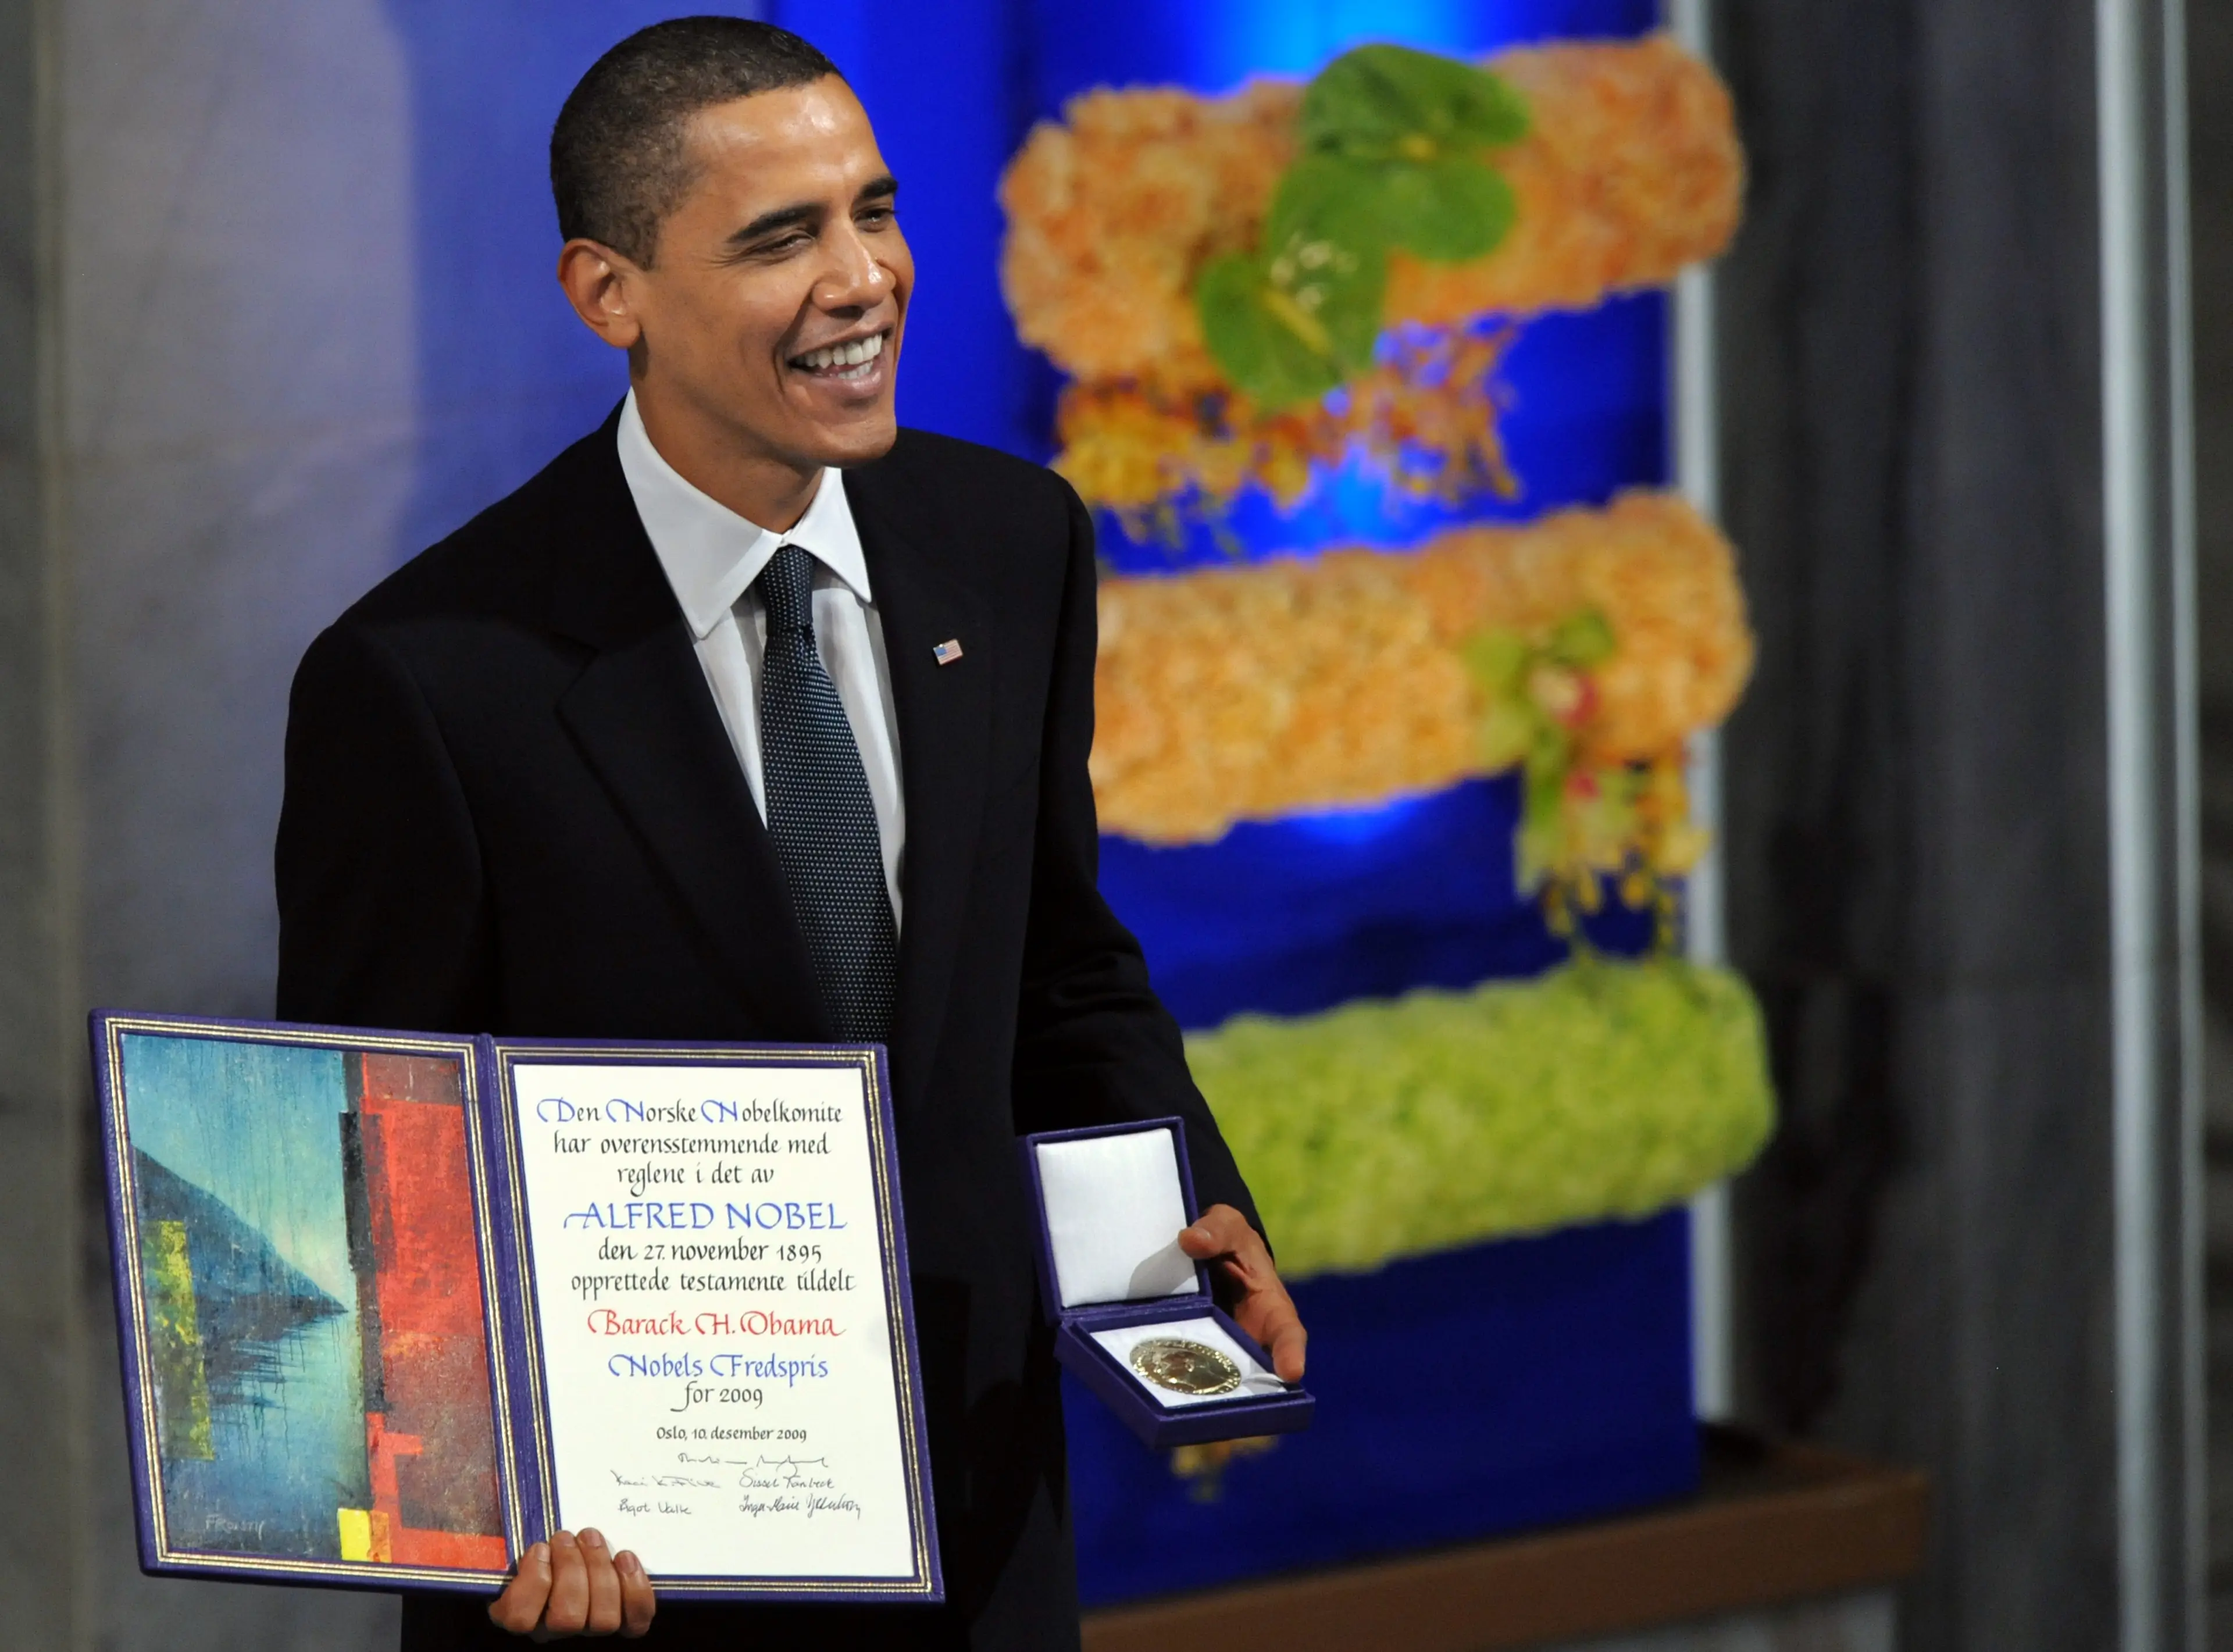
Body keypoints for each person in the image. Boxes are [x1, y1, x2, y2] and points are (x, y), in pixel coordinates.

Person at [274, 17, 1306, 1650]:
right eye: (781, 239)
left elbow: (1056, 960)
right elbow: (368, 1180)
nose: (863, 278)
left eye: (873, 212)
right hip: (625, 1583)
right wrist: (482, 1514)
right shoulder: (426, 680)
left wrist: (1188, 1210)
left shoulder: (1012, 542)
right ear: (608, 293)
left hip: (979, 1526)